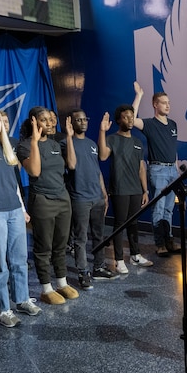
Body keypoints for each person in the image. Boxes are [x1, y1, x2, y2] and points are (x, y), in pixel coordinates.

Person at [0, 105, 41, 328]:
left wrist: (21, 208)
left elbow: (15, 183)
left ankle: (22, 299)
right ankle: (3, 309)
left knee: (20, 260)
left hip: (13, 210)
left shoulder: (10, 145)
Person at [17, 106, 79, 304]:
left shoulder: (55, 144)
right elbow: (34, 172)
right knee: (44, 247)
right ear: (34, 122)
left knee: (60, 244)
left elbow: (72, 165)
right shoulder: (25, 145)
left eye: (51, 120)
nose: (50, 123)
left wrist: (69, 137)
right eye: (44, 120)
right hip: (42, 200)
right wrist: (35, 140)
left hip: (62, 199)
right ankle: (46, 288)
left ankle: (61, 283)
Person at [98, 104, 153, 276]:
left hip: (136, 189)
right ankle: (119, 260)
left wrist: (145, 190)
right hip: (120, 189)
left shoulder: (137, 142)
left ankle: (135, 255)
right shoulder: (112, 139)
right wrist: (102, 132)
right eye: (126, 117)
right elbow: (103, 156)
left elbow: (141, 168)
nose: (130, 120)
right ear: (118, 120)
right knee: (119, 225)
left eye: (132, 116)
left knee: (134, 224)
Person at [63, 109, 114, 288]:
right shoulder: (66, 143)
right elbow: (71, 164)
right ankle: (83, 272)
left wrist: (104, 192)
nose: (83, 122)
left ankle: (99, 267)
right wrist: (69, 137)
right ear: (72, 123)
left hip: (97, 197)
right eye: (79, 119)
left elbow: (96, 169)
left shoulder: (92, 143)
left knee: (99, 235)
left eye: (85, 119)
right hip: (80, 198)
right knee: (81, 239)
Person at [130, 82, 179, 257]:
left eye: (169, 102)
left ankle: (169, 240)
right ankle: (159, 244)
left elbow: (174, 149)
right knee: (158, 208)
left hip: (173, 171)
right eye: (164, 102)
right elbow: (131, 119)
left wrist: (177, 169)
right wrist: (139, 96)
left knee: (169, 209)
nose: (168, 105)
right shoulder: (149, 124)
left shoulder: (173, 124)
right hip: (157, 170)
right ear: (155, 105)